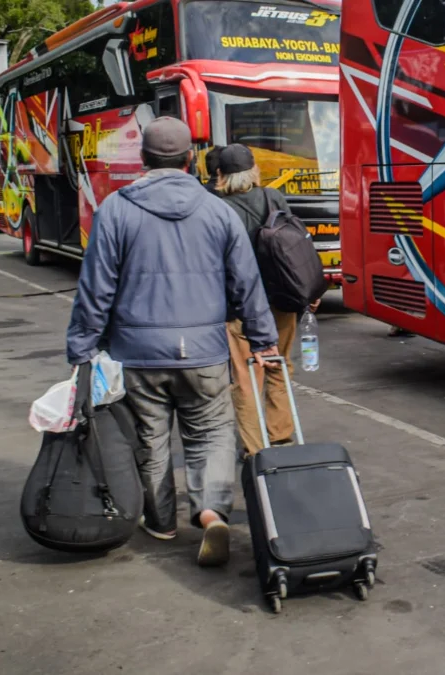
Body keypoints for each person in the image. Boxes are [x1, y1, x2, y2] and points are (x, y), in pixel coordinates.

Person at [66, 118, 280, 567]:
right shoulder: (218, 211)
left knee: (150, 437)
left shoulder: (115, 209)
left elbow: (96, 288)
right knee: (211, 433)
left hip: (137, 352)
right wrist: (263, 340)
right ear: (189, 160)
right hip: (203, 350)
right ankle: (209, 512)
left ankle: (161, 520)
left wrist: (82, 349)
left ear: (142, 159)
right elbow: (247, 283)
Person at [217, 144, 320, 454]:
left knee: (247, 379)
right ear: (254, 170)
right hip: (281, 298)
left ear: (221, 175)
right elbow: (295, 246)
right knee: (279, 366)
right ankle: (282, 438)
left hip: (239, 307)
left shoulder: (217, 207)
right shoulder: (271, 197)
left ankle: (256, 451)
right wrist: (309, 290)